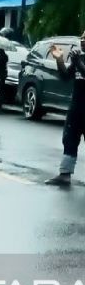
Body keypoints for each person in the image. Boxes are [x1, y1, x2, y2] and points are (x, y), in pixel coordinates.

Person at [45, 32, 85, 186]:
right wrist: (60, 60)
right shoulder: (78, 58)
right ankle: (65, 174)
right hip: (76, 107)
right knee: (69, 139)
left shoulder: (78, 60)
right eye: (81, 38)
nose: (82, 41)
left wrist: (78, 63)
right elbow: (65, 77)